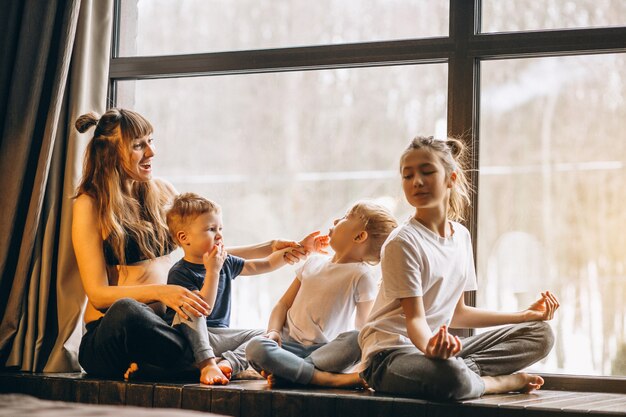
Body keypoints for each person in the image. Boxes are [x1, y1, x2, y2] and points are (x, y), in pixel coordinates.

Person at [72, 108, 309, 379]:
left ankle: (190, 364)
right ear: (109, 153)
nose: (151, 152)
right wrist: (163, 292)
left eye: (151, 141)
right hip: (116, 335)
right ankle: (208, 361)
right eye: (139, 145)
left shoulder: (162, 191)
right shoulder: (90, 204)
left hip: (168, 332)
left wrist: (270, 247)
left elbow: (201, 253)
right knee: (127, 309)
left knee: (262, 335)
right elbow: (98, 294)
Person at [357, 136, 559, 401]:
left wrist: (523, 316)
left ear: (451, 179)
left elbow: (457, 313)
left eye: (427, 172)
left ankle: (462, 373)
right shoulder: (402, 242)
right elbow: (415, 319)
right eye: (407, 176)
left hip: (436, 353)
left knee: (541, 334)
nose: (416, 181)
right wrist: (431, 348)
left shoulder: (461, 237)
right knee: (450, 378)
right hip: (390, 356)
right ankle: (492, 382)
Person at [163, 192, 326, 385]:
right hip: (189, 338)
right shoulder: (180, 272)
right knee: (189, 308)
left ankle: (228, 364)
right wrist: (212, 271)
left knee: (267, 335)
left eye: (220, 228)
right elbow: (202, 308)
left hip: (218, 337)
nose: (220, 235)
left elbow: (265, 264)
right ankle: (206, 363)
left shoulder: (225, 261)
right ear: (184, 237)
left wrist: (301, 248)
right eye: (211, 229)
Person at [246, 201, 398, 388]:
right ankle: (322, 379)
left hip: (323, 352)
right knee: (256, 347)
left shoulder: (361, 275)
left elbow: (364, 327)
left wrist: (363, 361)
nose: (336, 219)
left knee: (355, 339)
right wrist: (273, 332)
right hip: (286, 347)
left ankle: (291, 372)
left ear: (359, 236)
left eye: (345, 217)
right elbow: (283, 305)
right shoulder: (313, 262)